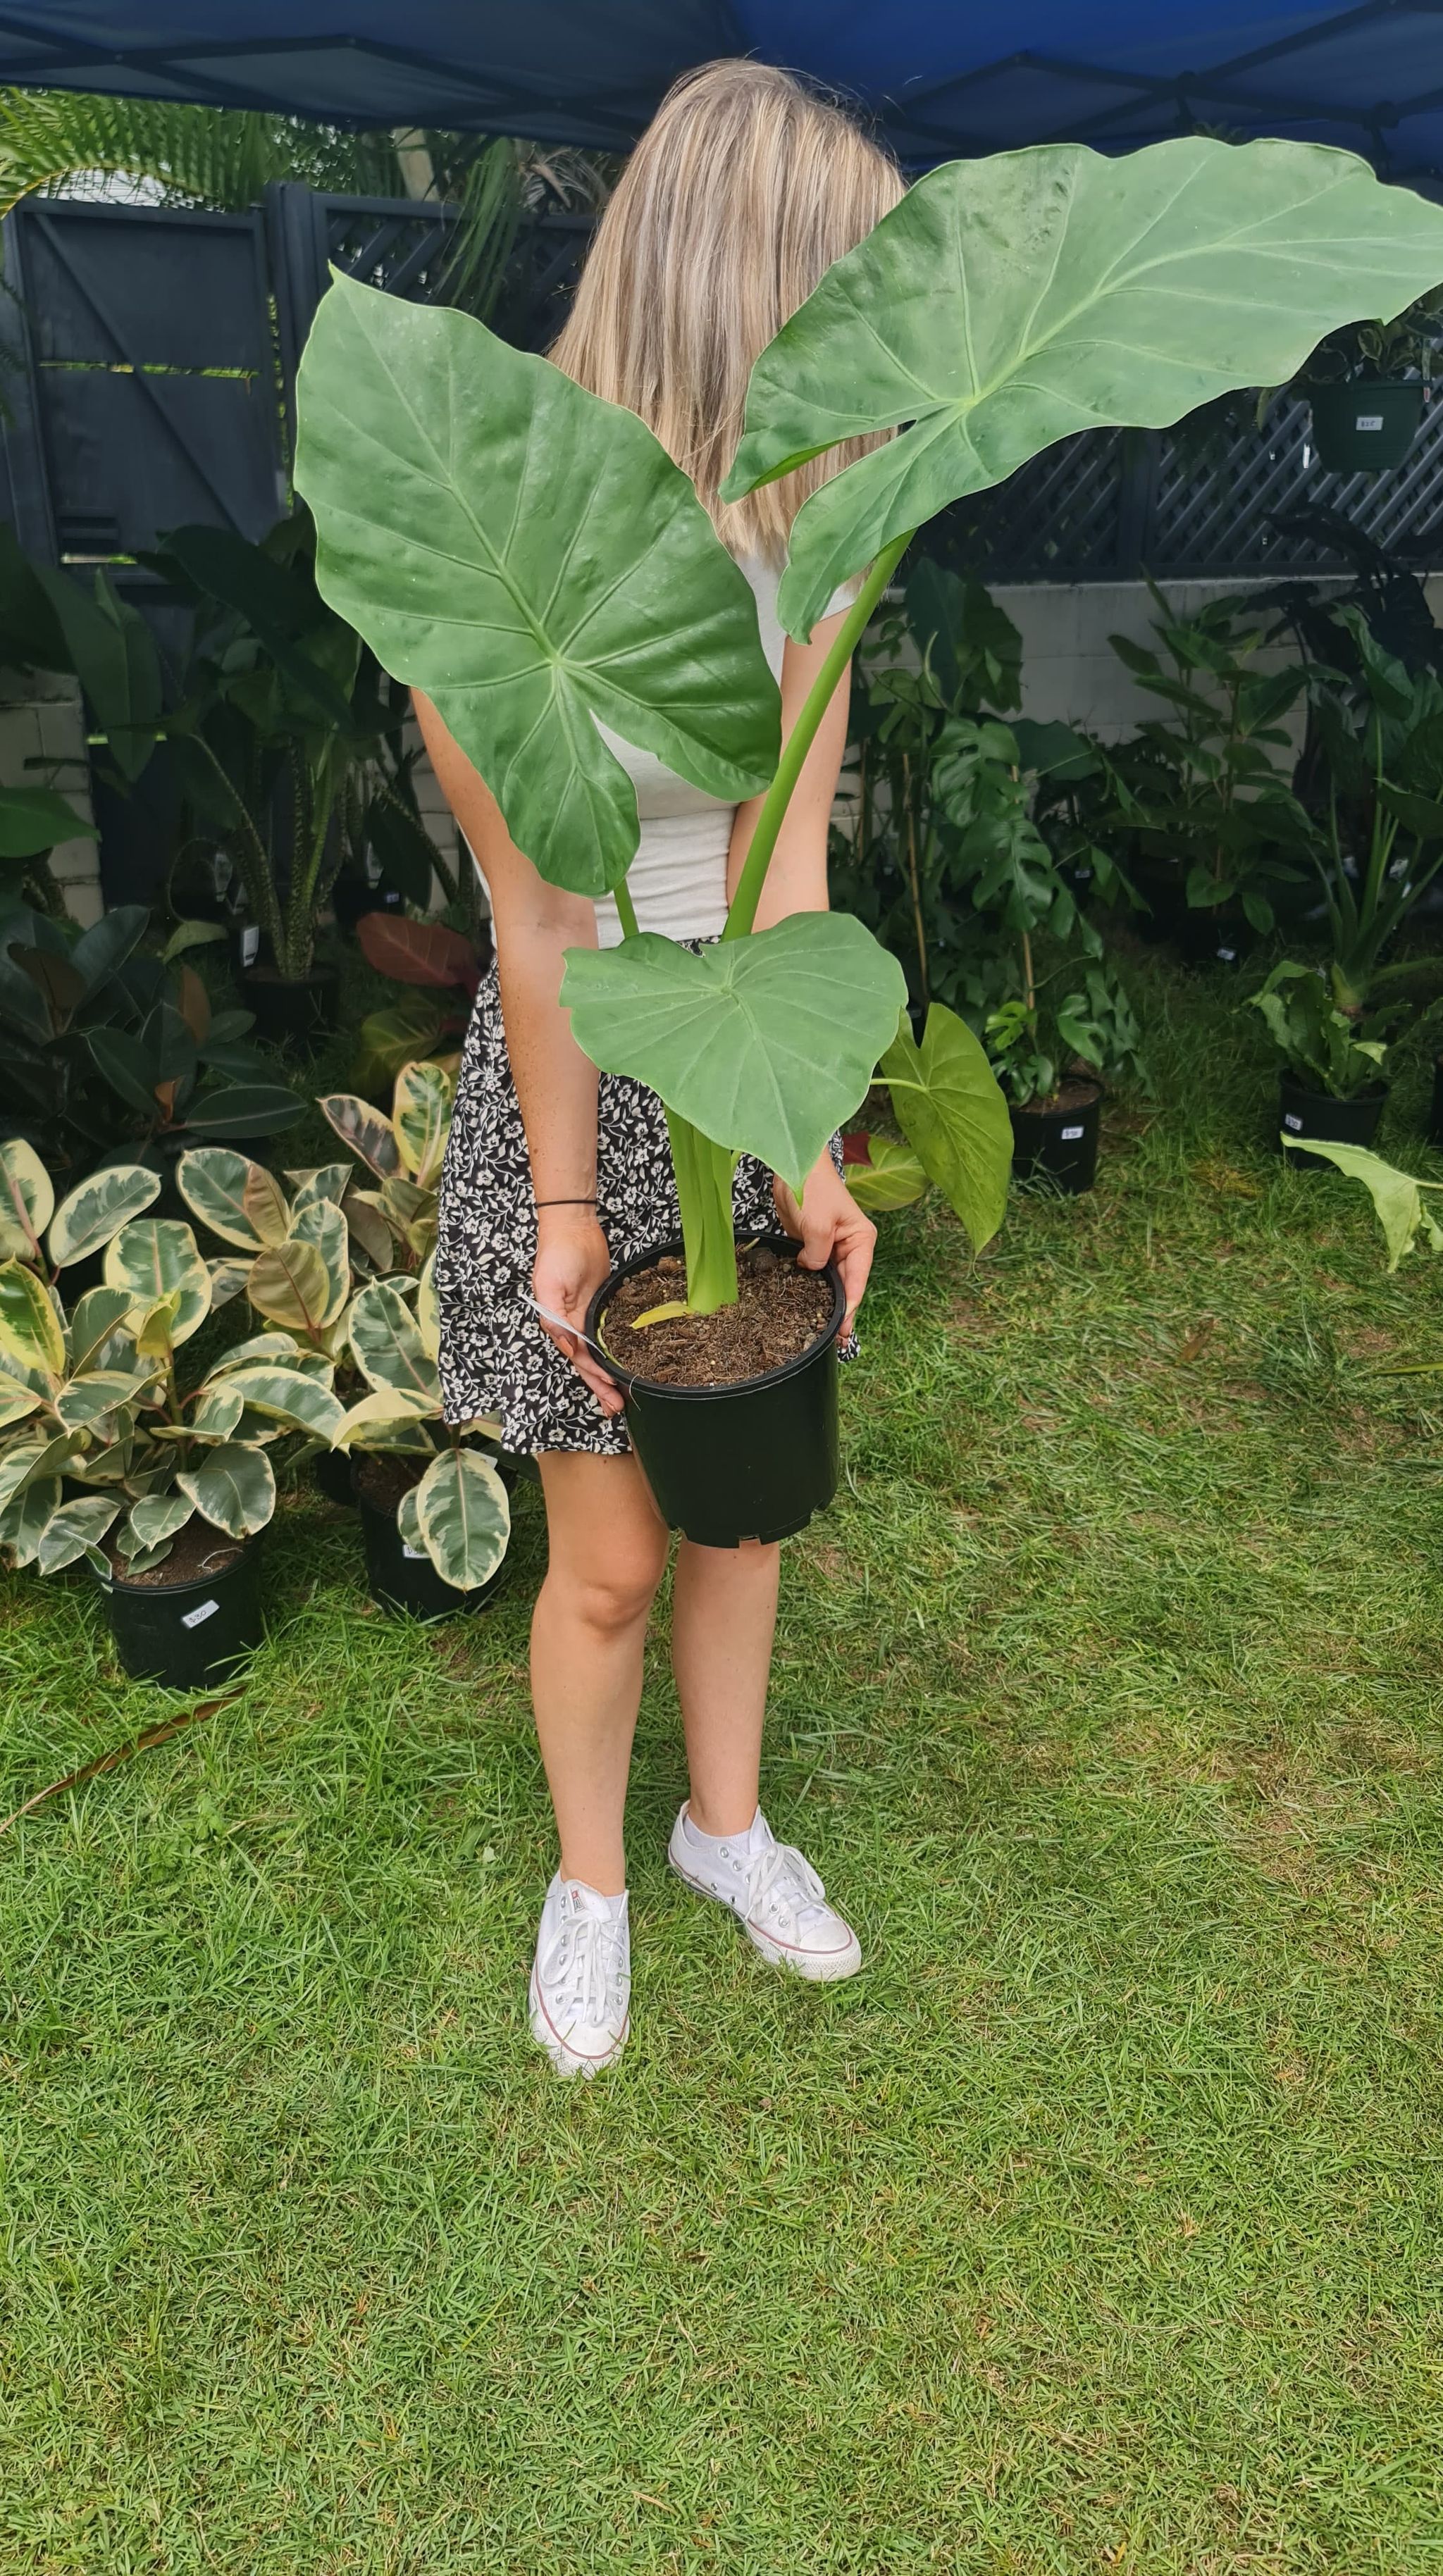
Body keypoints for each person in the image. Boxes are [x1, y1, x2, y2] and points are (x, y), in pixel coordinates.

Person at [418, 60, 903, 2076]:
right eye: (855, 294)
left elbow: (790, 858)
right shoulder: (500, 546)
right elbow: (538, 920)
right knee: (608, 1554)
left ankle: (724, 1830)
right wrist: (552, 1202)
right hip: (578, 1065)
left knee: (746, 1513)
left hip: (737, 1045)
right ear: (752, 289)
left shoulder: (819, 532)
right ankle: (594, 1878)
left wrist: (807, 1141)